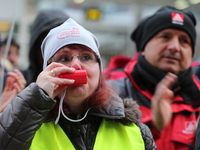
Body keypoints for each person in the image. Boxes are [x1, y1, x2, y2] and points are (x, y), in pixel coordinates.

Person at [0, 18, 157, 150]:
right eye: (64, 58)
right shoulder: (26, 123)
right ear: (46, 72)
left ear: (99, 70)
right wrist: (34, 99)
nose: (76, 66)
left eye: (86, 57)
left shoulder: (136, 131)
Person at [106, 5, 200, 150]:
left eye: (184, 41)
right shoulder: (109, 94)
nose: (175, 47)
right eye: (165, 37)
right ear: (143, 48)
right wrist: (153, 126)